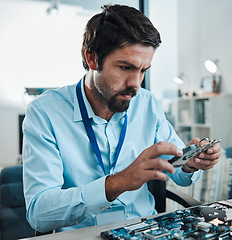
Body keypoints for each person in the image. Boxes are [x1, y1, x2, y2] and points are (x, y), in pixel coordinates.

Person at [22, 4, 221, 233]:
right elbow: (39, 213)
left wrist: (190, 164)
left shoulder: (146, 103)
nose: (136, 84)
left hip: (146, 231)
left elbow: (178, 171)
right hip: (81, 235)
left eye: (143, 70)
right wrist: (117, 183)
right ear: (92, 58)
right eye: (126, 67)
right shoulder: (44, 113)